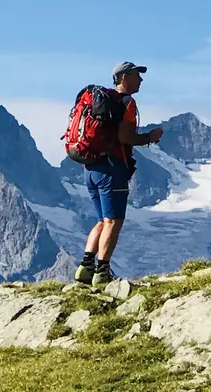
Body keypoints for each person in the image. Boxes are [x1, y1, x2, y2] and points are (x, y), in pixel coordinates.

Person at [74, 62, 164, 286]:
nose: (141, 80)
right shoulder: (127, 103)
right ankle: (102, 272)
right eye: (136, 76)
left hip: (91, 168)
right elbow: (125, 137)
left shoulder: (100, 102)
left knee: (102, 220)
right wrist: (148, 138)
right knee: (114, 221)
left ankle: (85, 269)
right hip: (112, 169)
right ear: (123, 77)